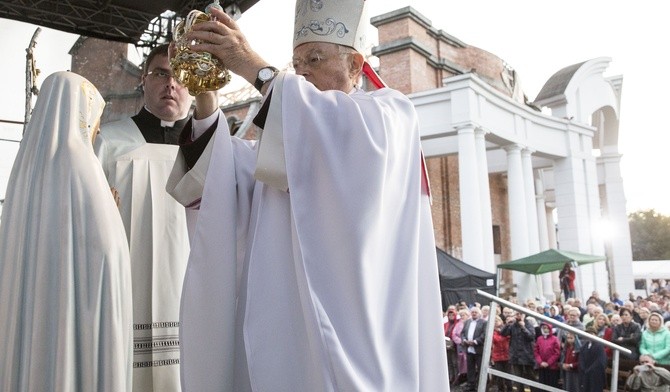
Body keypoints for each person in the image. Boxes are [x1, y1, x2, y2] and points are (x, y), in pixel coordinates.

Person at [166, 1, 448, 390]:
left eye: (314, 59)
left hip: (359, 338)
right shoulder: (287, 140)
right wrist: (205, 95)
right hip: (280, 334)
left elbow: (334, 134)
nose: (301, 73)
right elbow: (219, 179)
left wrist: (252, 65)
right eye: (296, 65)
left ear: (355, 66)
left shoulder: (390, 116)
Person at [0, 72, 132, 391]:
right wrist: (112, 215)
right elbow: (108, 256)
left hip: (33, 319)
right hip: (77, 324)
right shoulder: (82, 165)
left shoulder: (25, 169)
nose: (97, 127)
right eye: (96, 118)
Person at [95, 43, 216, 390]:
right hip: (127, 285)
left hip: (193, 286)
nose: (171, 84)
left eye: (181, 76)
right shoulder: (109, 142)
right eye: (162, 73)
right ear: (144, 81)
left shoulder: (212, 148)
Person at [501, 311, 537, 392]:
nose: (519, 316)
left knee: (531, 377)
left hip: (527, 355)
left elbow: (531, 337)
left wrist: (523, 327)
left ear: (524, 315)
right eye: (517, 314)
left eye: (520, 314)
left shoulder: (528, 324)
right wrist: (507, 324)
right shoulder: (513, 325)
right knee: (518, 378)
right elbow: (503, 333)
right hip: (515, 356)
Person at [461, 306, 487, 391]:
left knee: (480, 368)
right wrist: (464, 340)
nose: (474, 314)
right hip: (469, 348)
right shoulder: (467, 322)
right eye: (472, 312)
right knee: (470, 368)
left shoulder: (483, 322)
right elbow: (463, 333)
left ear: (479, 313)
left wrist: (475, 341)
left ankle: (480, 385)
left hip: (478, 348)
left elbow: (484, 334)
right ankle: (471, 385)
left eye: (476, 312)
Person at [579, 327, 608, 391]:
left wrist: (590, 369)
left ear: (595, 334)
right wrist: (583, 368)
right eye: (588, 333)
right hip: (585, 374)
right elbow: (581, 358)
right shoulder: (585, 345)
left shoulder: (599, 346)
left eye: (591, 333)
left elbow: (600, 361)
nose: (589, 335)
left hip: (595, 375)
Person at [534, 322, 561, 389]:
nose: (545, 329)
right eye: (544, 328)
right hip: (541, 366)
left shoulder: (555, 339)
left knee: (551, 384)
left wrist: (548, 363)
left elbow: (557, 353)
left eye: (547, 328)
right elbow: (536, 351)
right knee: (542, 384)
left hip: (552, 367)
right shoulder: (539, 339)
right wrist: (540, 362)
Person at [491, 316, 513, 392]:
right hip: (497, 356)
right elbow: (495, 340)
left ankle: (510, 390)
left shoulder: (507, 330)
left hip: (507, 355)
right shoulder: (491, 332)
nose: (496, 322)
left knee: (508, 376)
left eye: (497, 320)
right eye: (494, 321)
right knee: (499, 377)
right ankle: (501, 390)